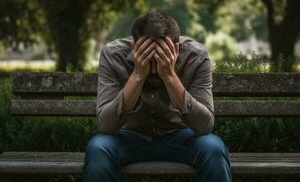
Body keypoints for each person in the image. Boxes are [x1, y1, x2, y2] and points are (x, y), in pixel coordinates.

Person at [83, 11, 232, 182]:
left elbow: (204, 126)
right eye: (148, 59)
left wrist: (169, 75)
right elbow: (106, 126)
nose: (154, 70)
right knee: (99, 148)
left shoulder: (196, 56)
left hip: (181, 136)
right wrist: (138, 75)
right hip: (128, 137)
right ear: (134, 46)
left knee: (213, 148)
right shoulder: (113, 55)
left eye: (161, 58)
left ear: (176, 48)